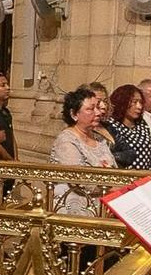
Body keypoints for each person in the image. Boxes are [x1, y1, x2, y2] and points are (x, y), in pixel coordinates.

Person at [50, 87, 117, 215]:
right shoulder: (66, 141)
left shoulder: (99, 138)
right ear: (74, 114)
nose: (98, 113)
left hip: (104, 206)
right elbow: (80, 179)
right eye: (90, 109)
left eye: (97, 107)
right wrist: (113, 187)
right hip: (77, 209)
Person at [103, 83, 151, 170]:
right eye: (134, 102)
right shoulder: (111, 125)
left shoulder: (142, 125)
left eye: (141, 102)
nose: (139, 106)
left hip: (146, 177)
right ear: (122, 102)